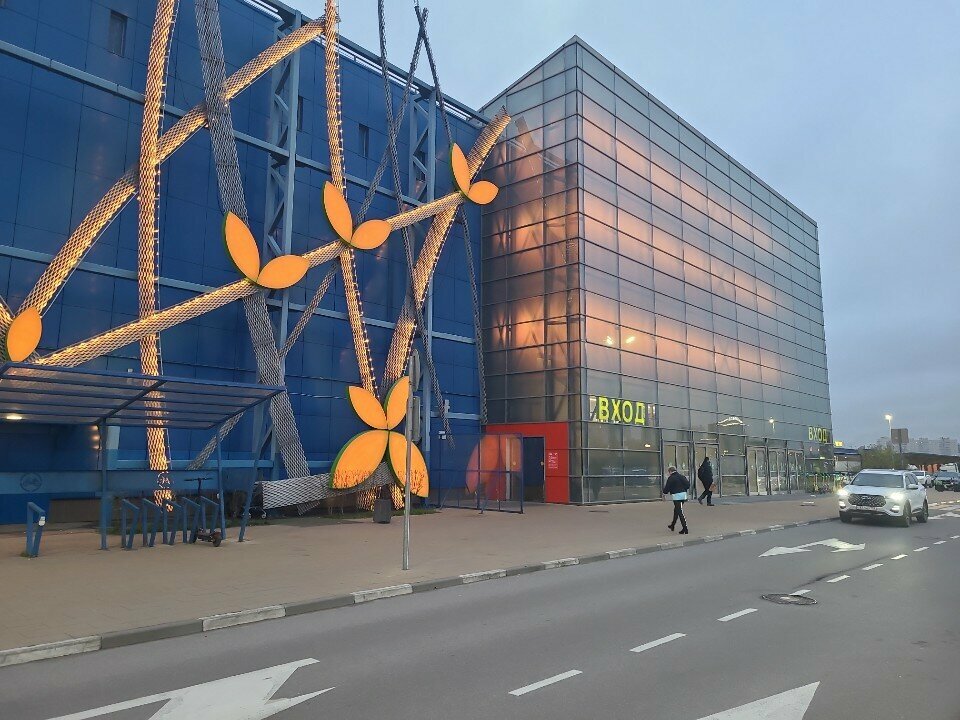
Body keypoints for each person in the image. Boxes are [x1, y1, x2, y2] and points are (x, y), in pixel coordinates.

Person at [663, 465, 690, 534]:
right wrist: (683, 489)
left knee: (680, 512)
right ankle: (672, 525)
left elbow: (667, 488)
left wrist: (664, 493)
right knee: (676, 510)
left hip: (676, 496)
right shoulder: (682, 476)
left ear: (670, 471)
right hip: (683, 495)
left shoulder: (671, 478)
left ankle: (685, 528)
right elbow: (688, 485)